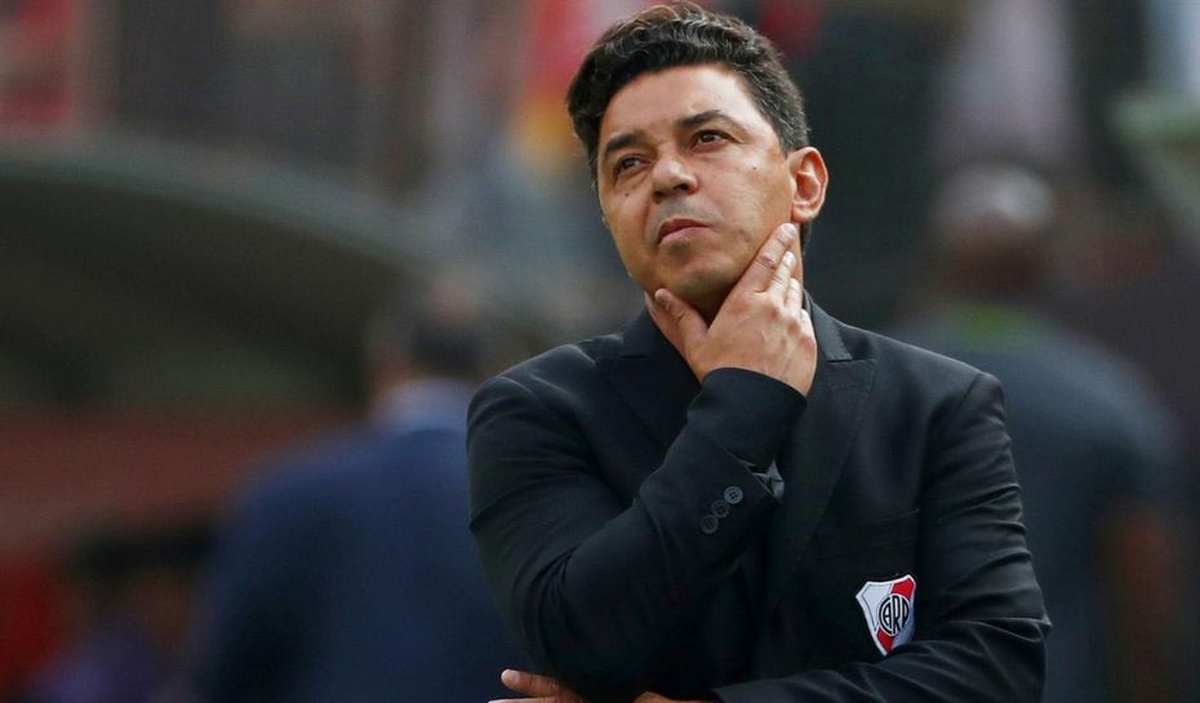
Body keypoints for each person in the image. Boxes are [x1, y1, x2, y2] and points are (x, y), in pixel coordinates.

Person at [467, 4, 1048, 703]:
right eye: (628, 163)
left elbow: (996, 670)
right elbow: (581, 640)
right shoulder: (539, 410)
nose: (667, 176)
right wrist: (742, 403)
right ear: (611, 216)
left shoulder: (936, 406)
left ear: (805, 184)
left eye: (707, 138)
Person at [891, 163, 1186, 703]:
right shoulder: (1109, 401)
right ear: (1047, 265)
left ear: (939, 261)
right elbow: (1143, 589)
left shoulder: (869, 386)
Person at [191, 277, 523, 703]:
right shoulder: (531, 493)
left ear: (385, 362)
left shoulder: (290, 489)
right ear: (494, 371)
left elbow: (229, 665)